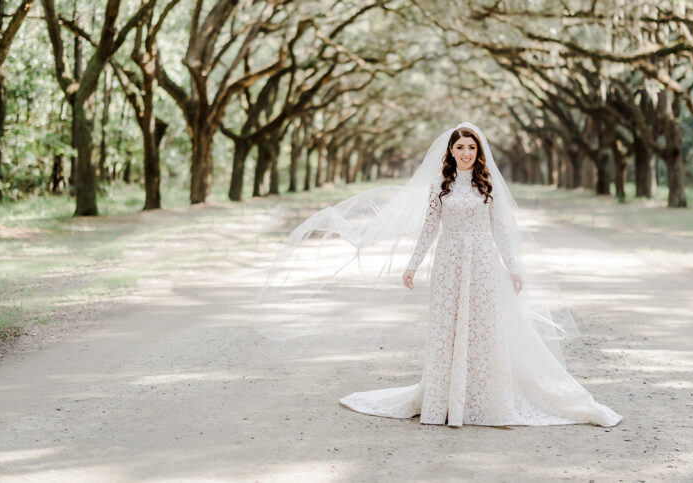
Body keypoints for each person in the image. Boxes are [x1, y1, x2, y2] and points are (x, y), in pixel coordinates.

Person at [259, 122, 621, 428]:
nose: (465, 153)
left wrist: (513, 268)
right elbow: (429, 228)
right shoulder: (439, 185)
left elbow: (501, 232)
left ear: (479, 151)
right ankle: (444, 399)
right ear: (450, 151)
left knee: (482, 327)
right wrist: (413, 264)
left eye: (471, 147)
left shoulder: (488, 185)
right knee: (447, 327)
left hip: (481, 260)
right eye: (460, 147)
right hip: (447, 262)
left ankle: (481, 400)